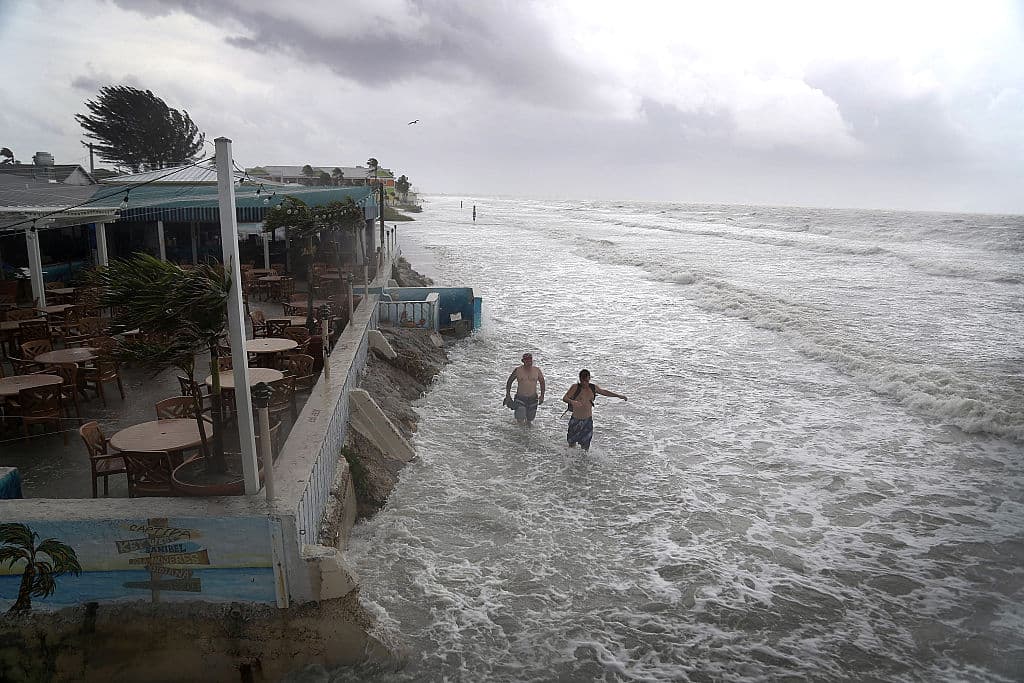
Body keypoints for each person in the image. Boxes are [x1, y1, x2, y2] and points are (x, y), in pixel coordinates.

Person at [562, 368, 626, 451]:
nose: (585, 383)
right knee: (572, 444)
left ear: (589, 378)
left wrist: (618, 396)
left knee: (585, 446)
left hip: (587, 421)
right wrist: (572, 402)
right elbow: (565, 398)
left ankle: (583, 462)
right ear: (580, 379)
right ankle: (570, 461)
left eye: (587, 381)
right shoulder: (575, 387)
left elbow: (604, 392)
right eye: (583, 381)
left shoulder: (593, 388)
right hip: (576, 420)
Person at [504, 353, 545, 425]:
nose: (528, 361)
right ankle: (519, 435)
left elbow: (542, 383)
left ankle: (528, 435)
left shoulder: (537, 370)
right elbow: (509, 382)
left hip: (533, 398)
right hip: (520, 398)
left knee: (530, 420)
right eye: (526, 359)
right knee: (520, 418)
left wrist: (542, 396)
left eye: (530, 359)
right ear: (523, 361)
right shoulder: (518, 370)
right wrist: (508, 395)